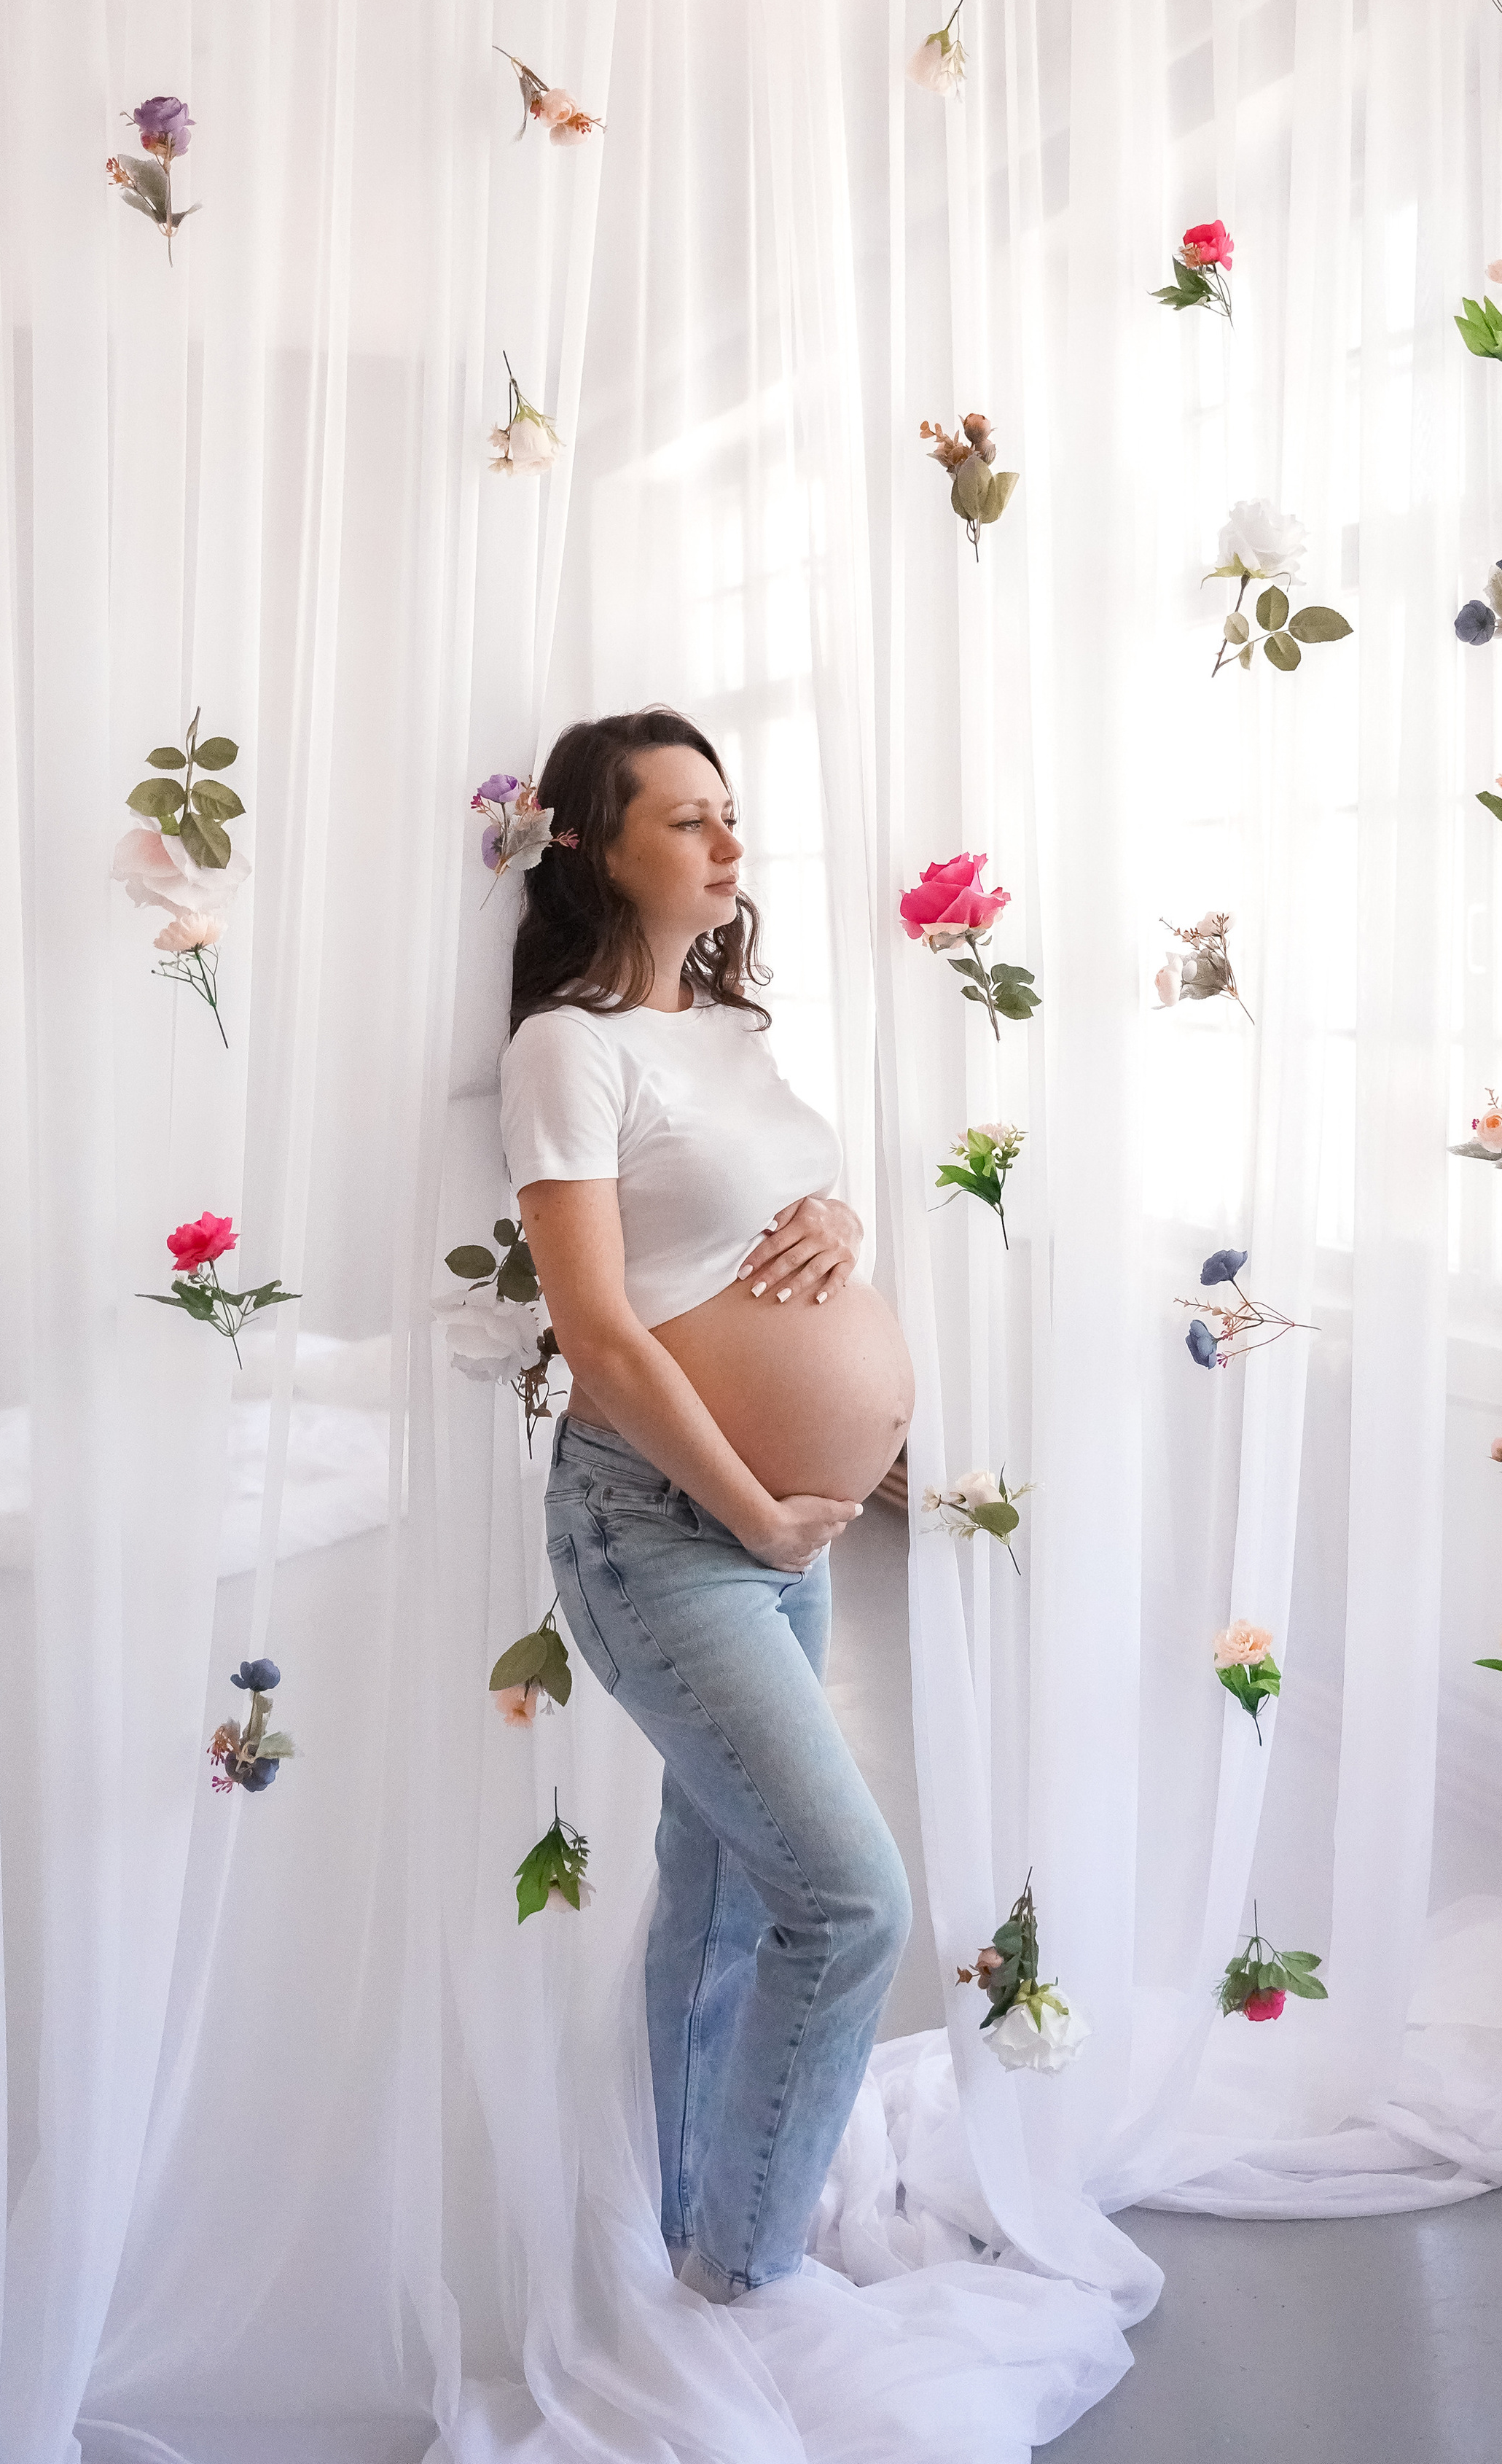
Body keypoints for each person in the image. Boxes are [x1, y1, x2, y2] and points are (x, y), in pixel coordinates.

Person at [500, 706, 915, 2304]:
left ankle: (687, 2207)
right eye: (685, 819)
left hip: (769, 1526)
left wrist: (837, 1214)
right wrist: (750, 1504)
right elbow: (597, 1331)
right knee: (850, 1898)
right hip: (666, 1526)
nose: (727, 843)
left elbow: (754, 1205)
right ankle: (744, 2273)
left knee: (733, 1881)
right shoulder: (567, 1048)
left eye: (728, 813)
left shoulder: (725, 1034)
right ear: (593, 850)